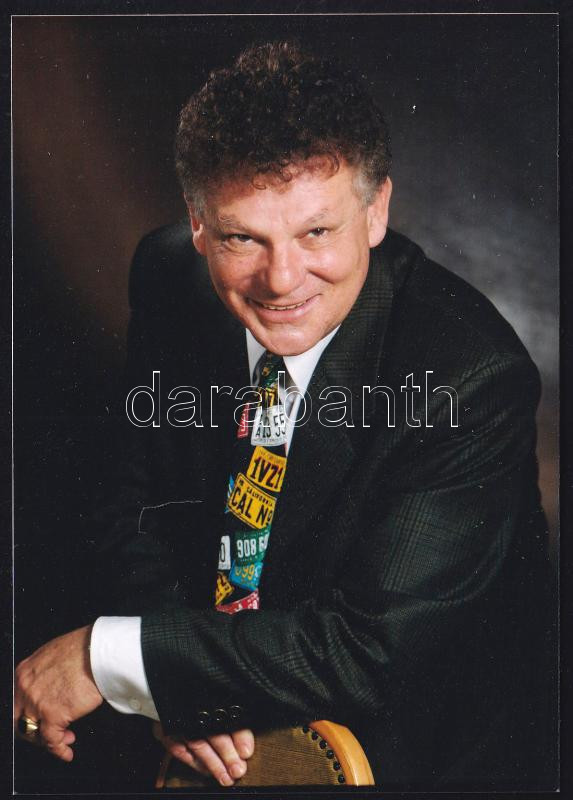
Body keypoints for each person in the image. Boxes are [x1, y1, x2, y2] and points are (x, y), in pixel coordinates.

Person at [14, 40, 556, 791]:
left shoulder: (467, 376)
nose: (281, 279)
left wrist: (109, 660)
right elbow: (134, 504)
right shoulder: (167, 274)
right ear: (198, 224)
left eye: (316, 232)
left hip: (422, 759)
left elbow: (368, 652)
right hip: (218, 744)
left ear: (376, 211)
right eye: (242, 237)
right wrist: (180, 687)